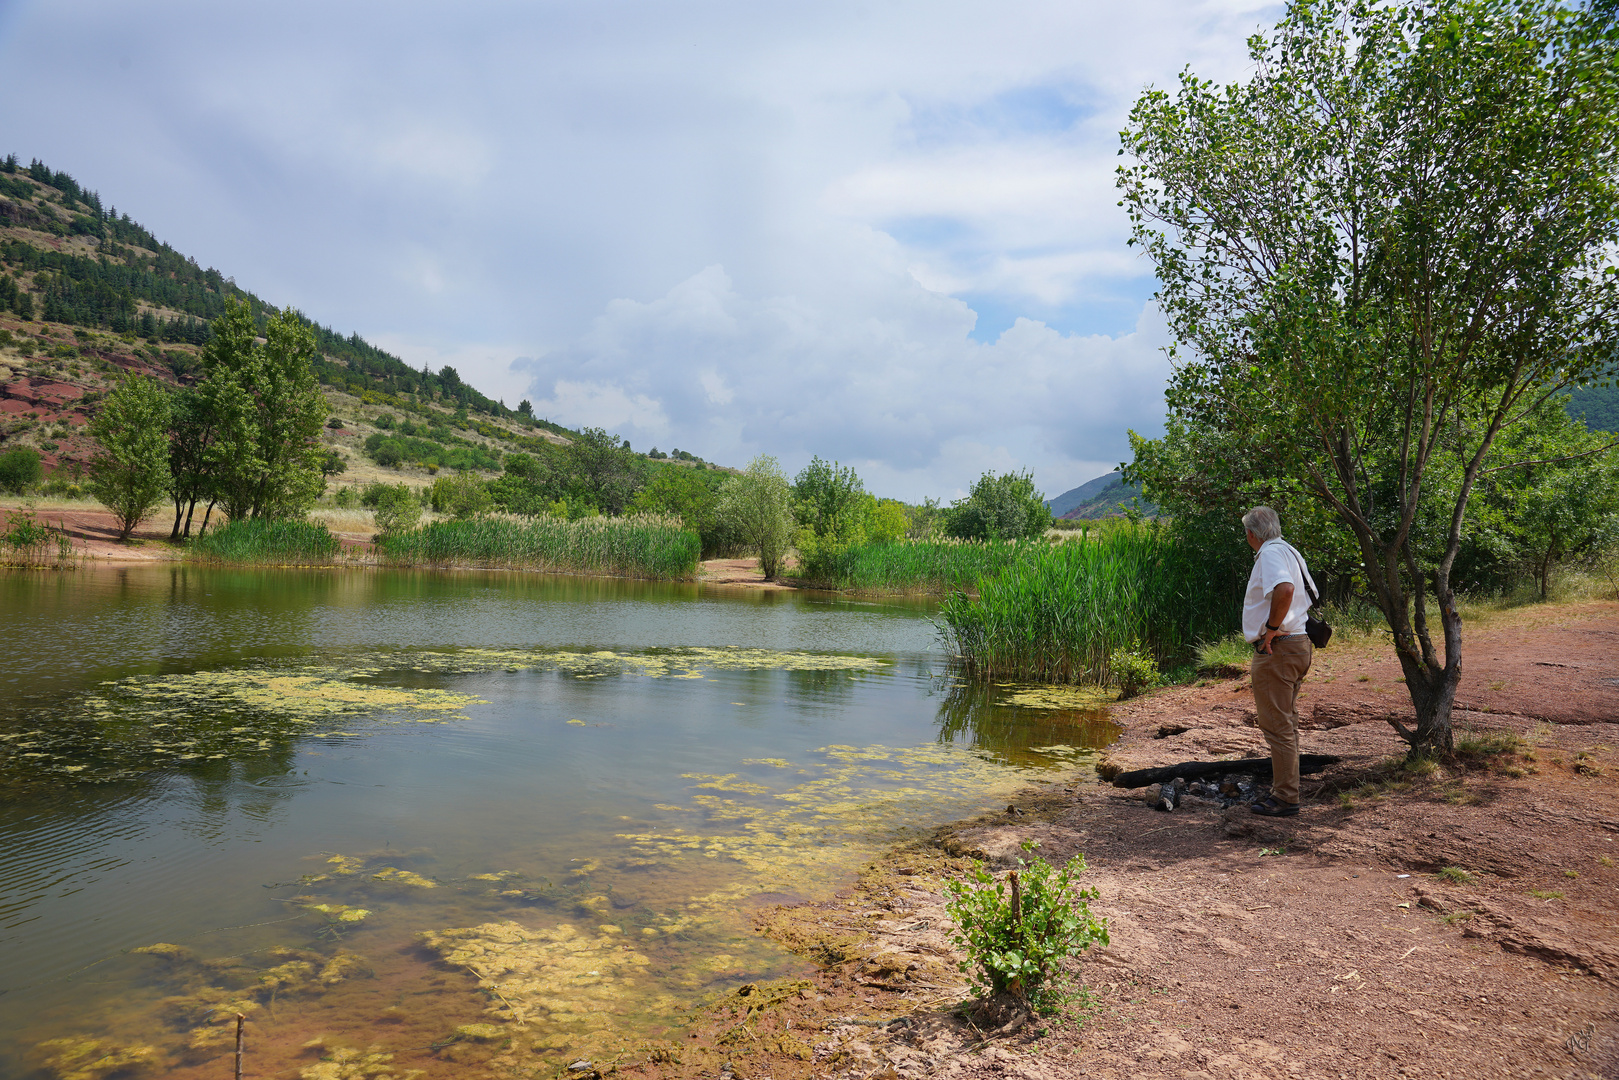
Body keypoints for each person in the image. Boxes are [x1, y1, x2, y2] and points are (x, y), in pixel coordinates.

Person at [1241, 506, 1316, 817]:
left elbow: (1285, 589)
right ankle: (1286, 790)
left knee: (1277, 725)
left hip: (1280, 648)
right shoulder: (1288, 550)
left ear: (1252, 534)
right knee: (1286, 721)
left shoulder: (1271, 553)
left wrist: (1270, 631)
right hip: (1297, 643)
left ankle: (1285, 797)